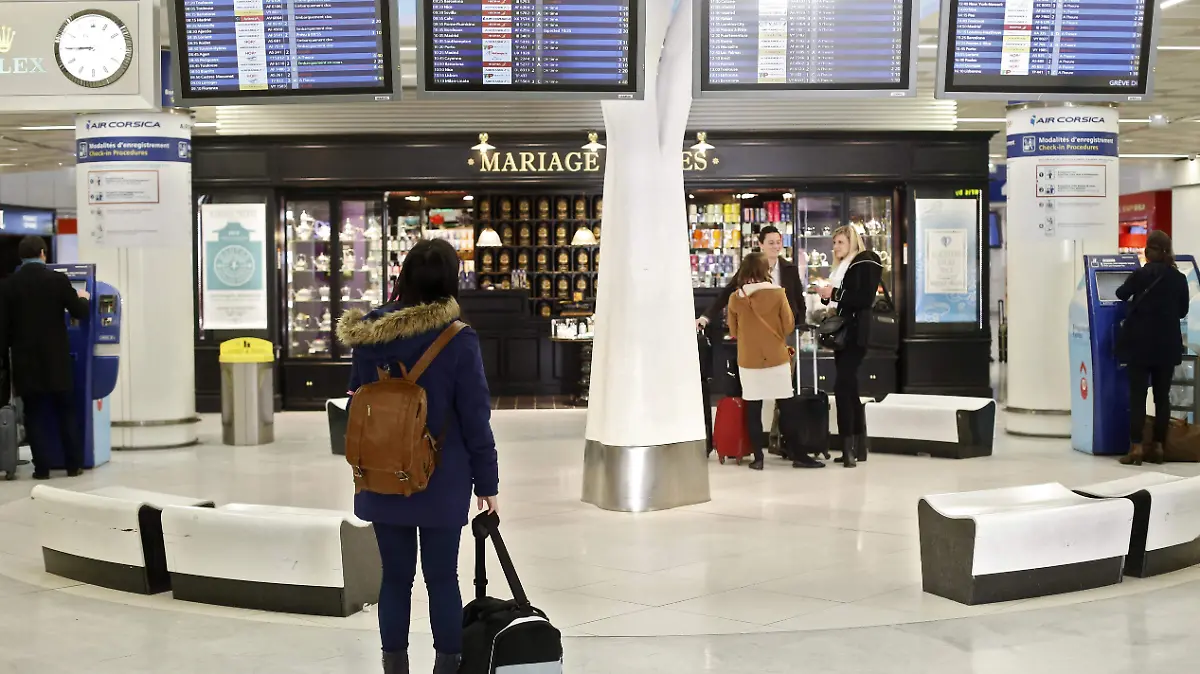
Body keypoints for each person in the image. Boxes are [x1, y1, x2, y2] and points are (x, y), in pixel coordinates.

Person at [336, 238, 499, 674]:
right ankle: (447, 666)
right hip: (442, 476)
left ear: (404, 276)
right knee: (442, 577)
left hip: (381, 470)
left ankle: (394, 667)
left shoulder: (369, 334)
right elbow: (475, 417)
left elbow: (356, 398)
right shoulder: (458, 339)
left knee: (395, 577)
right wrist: (487, 483)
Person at [1, 236, 89, 479]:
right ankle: (73, 465)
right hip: (57, 360)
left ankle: (42, 469)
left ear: (21, 256)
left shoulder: (8, 285)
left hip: (25, 362)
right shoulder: (57, 280)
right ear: (43, 253)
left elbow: (3, 328)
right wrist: (83, 297)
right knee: (66, 412)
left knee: (34, 415)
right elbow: (79, 312)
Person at [1115, 230, 1190, 466]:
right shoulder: (1179, 279)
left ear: (1148, 251)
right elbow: (1183, 311)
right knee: (1162, 398)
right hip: (1167, 347)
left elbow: (1120, 294)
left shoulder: (1140, 275)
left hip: (1139, 345)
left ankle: (1136, 448)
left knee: (1137, 397)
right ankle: (1158, 447)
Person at [816, 225, 883, 468]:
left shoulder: (865, 261)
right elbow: (843, 298)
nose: (835, 247)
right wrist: (827, 294)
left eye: (840, 242)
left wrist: (834, 293)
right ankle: (857, 446)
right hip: (844, 335)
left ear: (852, 242)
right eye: (834, 243)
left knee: (842, 387)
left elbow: (863, 298)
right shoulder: (844, 267)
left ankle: (848, 449)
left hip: (855, 334)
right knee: (850, 387)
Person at [726, 252, 795, 471]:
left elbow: (733, 331)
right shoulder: (778, 293)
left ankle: (758, 458)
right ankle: (797, 453)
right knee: (786, 406)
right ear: (766, 270)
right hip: (776, 357)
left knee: (753, 410)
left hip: (749, 360)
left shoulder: (736, 298)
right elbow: (788, 326)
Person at [697, 225, 804, 330]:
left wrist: (801, 327)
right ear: (761, 244)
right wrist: (705, 317)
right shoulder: (751, 267)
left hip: (785, 328)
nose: (776, 246)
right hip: (757, 328)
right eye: (771, 243)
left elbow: (799, 301)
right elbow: (727, 292)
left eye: (778, 242)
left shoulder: (790, 269)